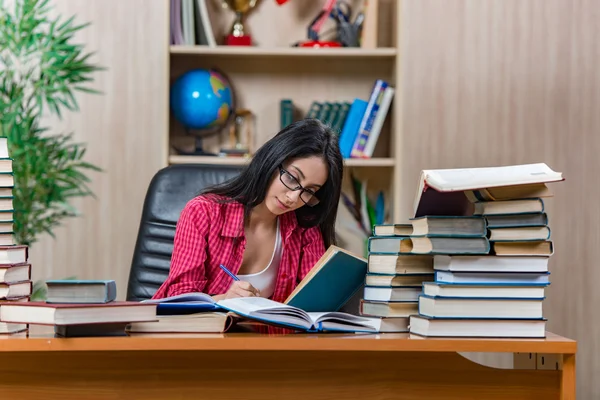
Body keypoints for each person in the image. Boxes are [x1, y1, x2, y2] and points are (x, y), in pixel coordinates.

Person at [152, 119, 344, 303]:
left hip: (270, 337)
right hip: (205, 335)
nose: (293, 198)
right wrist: (223, 300)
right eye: (292, 178)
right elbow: (179, 300)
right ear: (272, 159)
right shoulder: (203, 212)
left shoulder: (305, 230)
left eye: (309, 191)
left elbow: (313, 305)